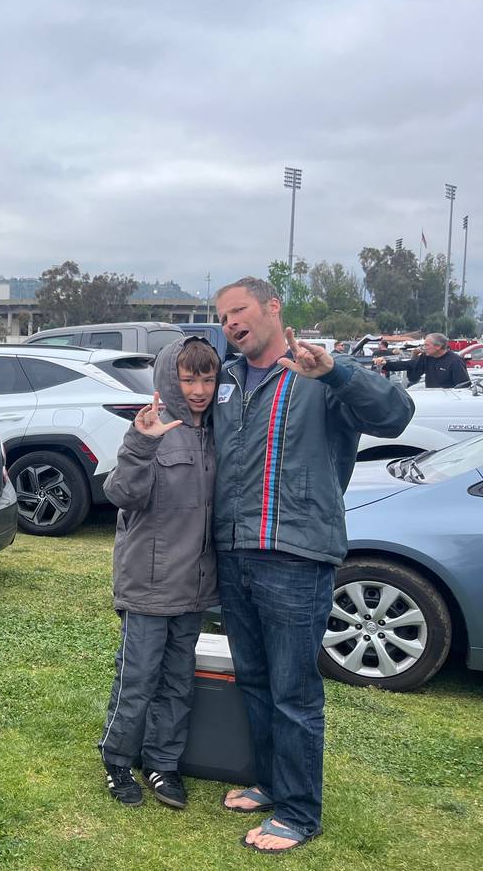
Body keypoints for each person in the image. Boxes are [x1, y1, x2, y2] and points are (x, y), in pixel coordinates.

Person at [212, 277, 413, 853]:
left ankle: (299, 813)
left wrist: (337, 373)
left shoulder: (319, 374)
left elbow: (396, 415)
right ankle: (270, 782)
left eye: (240, 310)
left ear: (273, 308)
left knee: (294, 690)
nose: (230, 322)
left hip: (297, 557)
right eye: (223, 315)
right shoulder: (228, 380)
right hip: (234, 553)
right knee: (253, 678)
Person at [97, 337, 221, 810]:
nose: (198, 389)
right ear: (171, 377)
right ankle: (116, 760)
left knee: (177, 682)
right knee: (137, 679)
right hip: (148, 587)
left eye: (207, 378)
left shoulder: (216, 431)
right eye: (188, 378)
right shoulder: (152, 429)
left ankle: (162, 764)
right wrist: (140, 442)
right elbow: (121, 493)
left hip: (194, 588)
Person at [372, 332, 469, 388]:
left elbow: (463, 387)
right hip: (430, 398)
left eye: (426, 345)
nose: (424, 347)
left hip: (448, 403)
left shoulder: (455, 361)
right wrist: (385, 364)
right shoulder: (426, 357)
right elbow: (409, 366)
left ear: (438, 346)